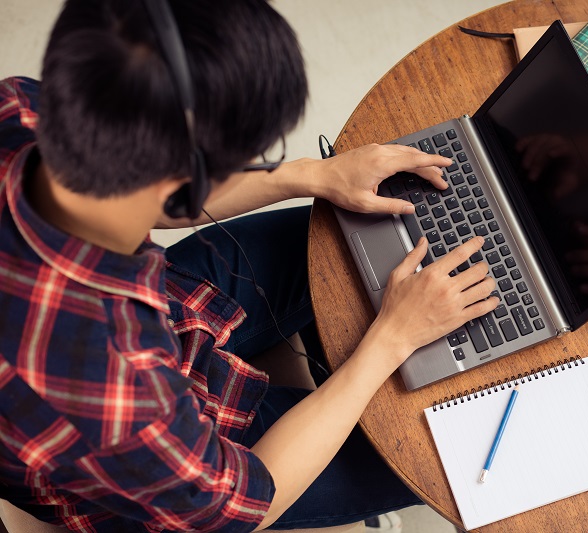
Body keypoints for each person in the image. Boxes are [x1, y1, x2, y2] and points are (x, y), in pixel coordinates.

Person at [0, 0, 499, 531]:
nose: (261, 167)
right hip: (169, 454)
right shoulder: (108, 393)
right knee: (437, 451)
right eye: (253, 160)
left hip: (169, 306)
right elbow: (236, 504)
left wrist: (315, 174)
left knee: (348, 234)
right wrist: (389, 341)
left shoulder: (19, 109)